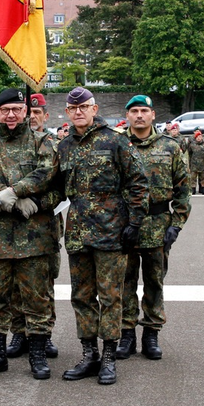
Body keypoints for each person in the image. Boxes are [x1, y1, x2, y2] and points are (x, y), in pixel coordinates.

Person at [56, 87, 149, 386]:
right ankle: (89, 355)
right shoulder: (64, 146)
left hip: (111, 232)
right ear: (67, 112)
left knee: (110, 297)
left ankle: (109, 356)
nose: (79, 111)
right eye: (73, 108)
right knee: (81, 297)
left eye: (84, 106)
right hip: (78, 233)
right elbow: (55, 188)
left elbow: (138, 182)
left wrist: (135, 222)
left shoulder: (115, 140)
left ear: (94, 109)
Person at [0, 88, 59, 380]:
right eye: (5, 110)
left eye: (17, 109)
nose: (11, 115)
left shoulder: (42, 142)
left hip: (35, 238)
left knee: (37, 300)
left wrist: (16, 192)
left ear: (25, 112)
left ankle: (37, 356)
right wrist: (4, 196)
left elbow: (48, 174)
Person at [116, 95, 190, 361]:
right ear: (127, 115)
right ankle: (126, 333)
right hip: (124, 225)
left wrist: (176, 224)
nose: (139, 115)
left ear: (153, 114)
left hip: (158, 226)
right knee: (124, 282)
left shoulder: (170, 147)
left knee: (154, 282)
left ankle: (151, 333)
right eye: (134, 111)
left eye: (144, 111)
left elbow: (183, 189)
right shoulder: (117, 144)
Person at [6, 93, 62, 360]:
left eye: (38, 113)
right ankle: (19, 331)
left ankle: (44, 333)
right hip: (13, 223)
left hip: (44, 224)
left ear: (45, 116)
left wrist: (38, 204)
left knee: (43, 283)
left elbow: (61, 189)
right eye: (30, 113)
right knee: (15, 283)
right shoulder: (10, 143)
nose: (33, 117)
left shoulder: (54, 146)